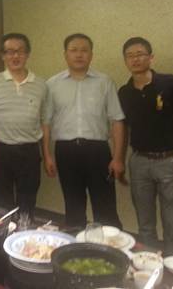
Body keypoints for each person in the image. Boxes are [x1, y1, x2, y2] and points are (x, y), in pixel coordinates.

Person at [118, 36, 173, 255]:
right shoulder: (124, 92)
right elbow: (122, 128)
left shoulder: (169, 83)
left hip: (169, 161)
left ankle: (172, 265)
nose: (135, 59)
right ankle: (149, 263)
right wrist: (119, 160)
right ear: (125, 61)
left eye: (140, 54)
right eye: (129, 56)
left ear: (151, 57)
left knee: (172, 222)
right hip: (139, 162)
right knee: (144, 223)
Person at [45, 33, 125, 228]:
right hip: (65, 150)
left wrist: (117, 158)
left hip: (98, 151)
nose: (79, 54)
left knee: (105, 206)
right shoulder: (52, 84)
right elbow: (45, 122)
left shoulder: (105, 82)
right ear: (65, 54)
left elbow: (117, 120)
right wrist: (47, 155)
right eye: (73, 50)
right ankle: (76, 242)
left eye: (84, 50)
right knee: (73, 205)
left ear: (91, 54)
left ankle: (108, 245)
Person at [0, 33, 53, 219]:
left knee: (27, 202)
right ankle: (4, 235)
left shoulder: (41, 85)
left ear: (28, 54)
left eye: (20, 51)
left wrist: (47, 155)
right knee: (1, 204)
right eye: (9, 52)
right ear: (3, 55)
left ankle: (24, 234)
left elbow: (45, 122)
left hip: (29, 152)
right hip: (0, 151)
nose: (15, 56)